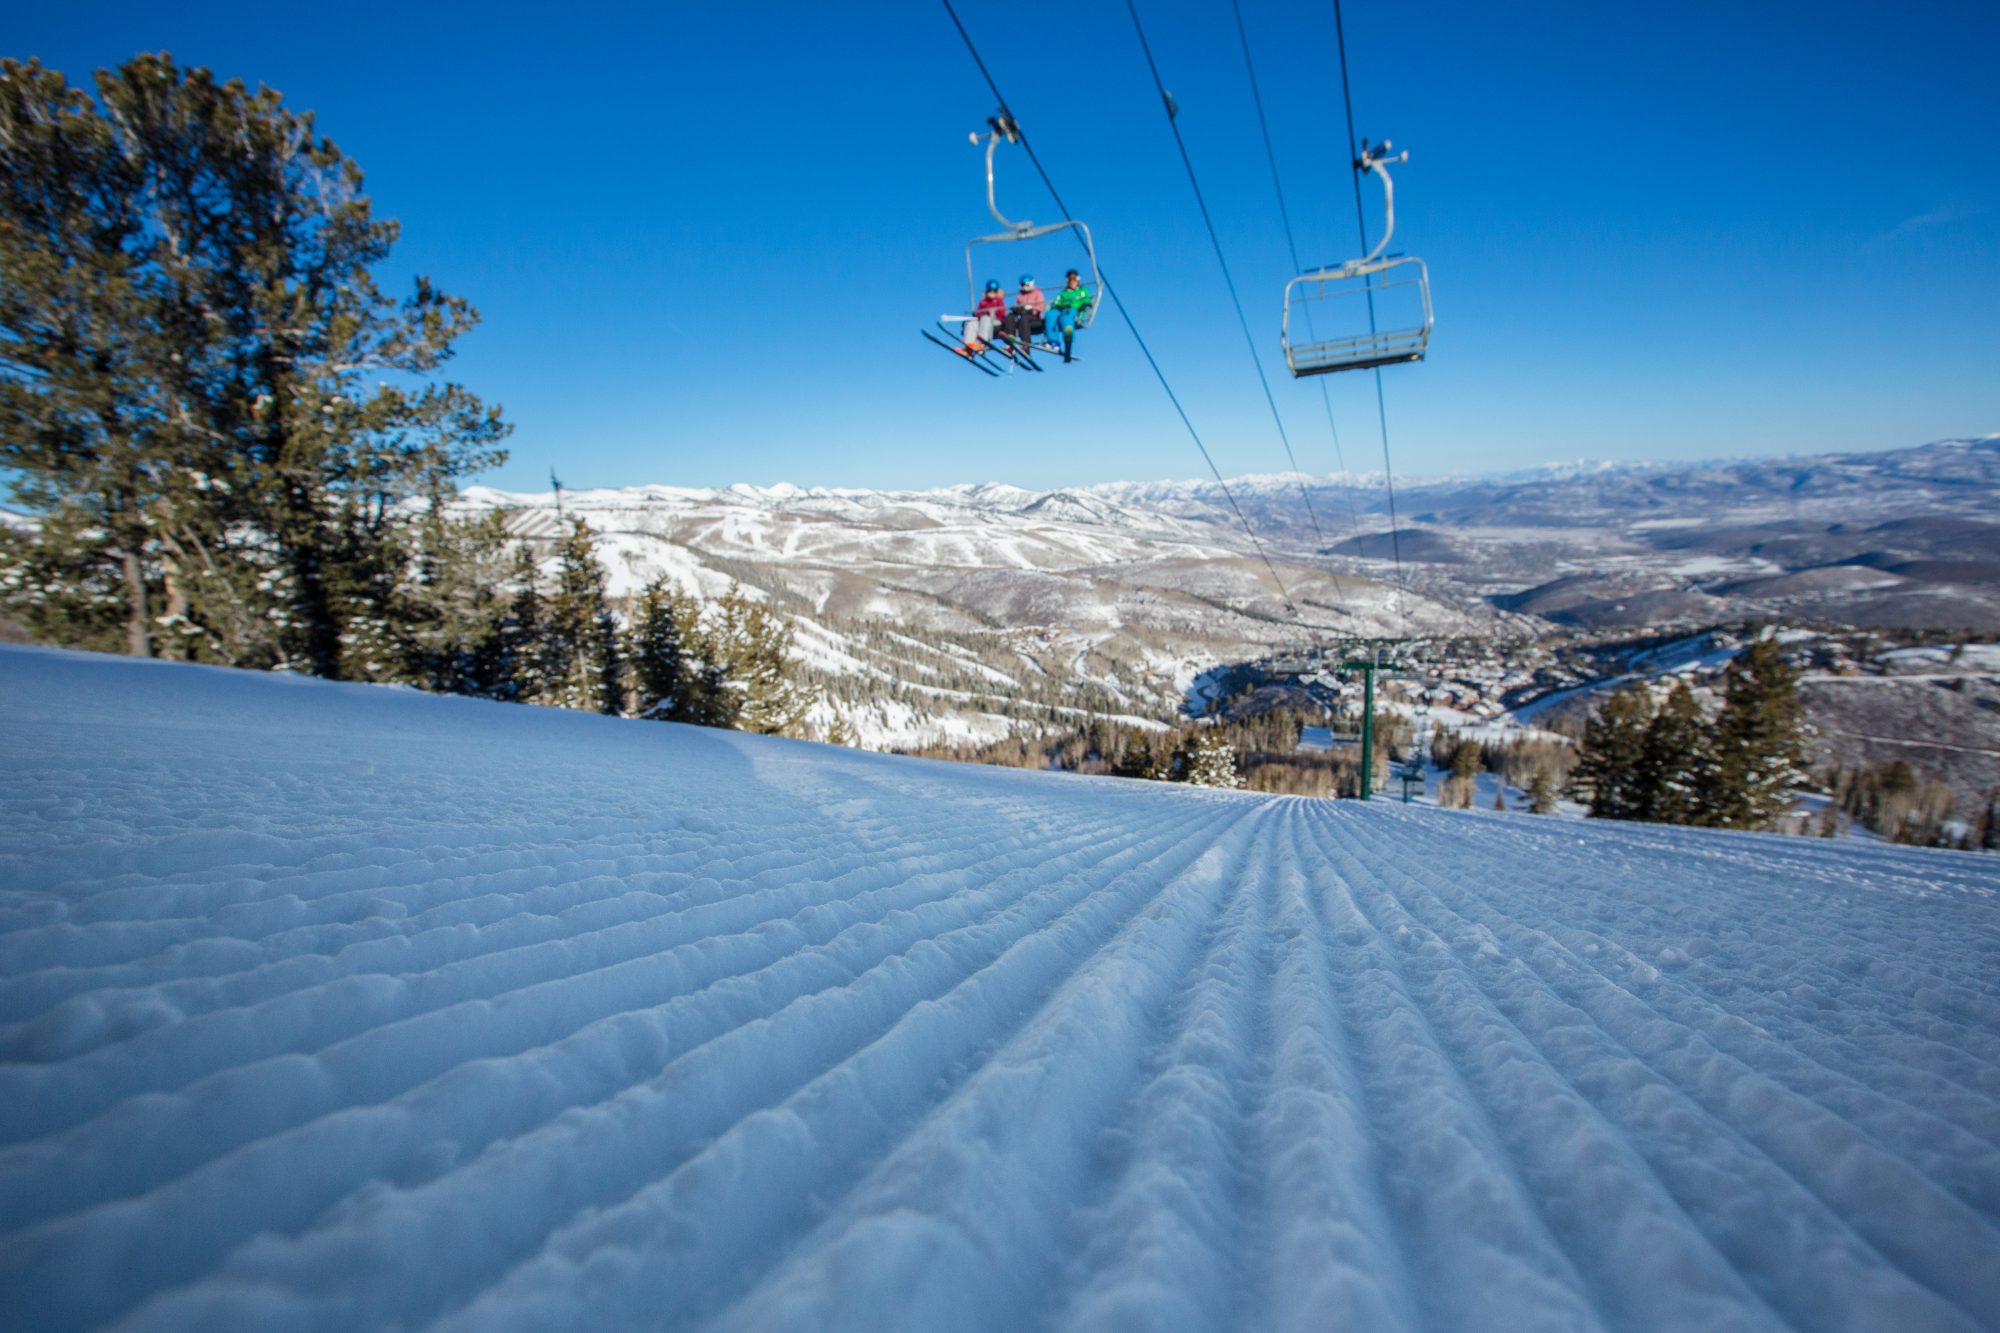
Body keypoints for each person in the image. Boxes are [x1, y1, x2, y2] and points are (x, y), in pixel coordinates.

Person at [1046, 269, 1092, 362]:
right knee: (1051, 315)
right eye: (1070, 279)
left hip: (1074, 312)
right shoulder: (1063, 293)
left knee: (1066, 316)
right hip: (1061, 310)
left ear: (1078, 280)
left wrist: (1083, 306)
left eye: (1074, 279)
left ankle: (1068, 337)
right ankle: (1054, 342)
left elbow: (1086, 301)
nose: (1072, 282)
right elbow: (1056, 303)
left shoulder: (1082, 291)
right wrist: (1057, 307)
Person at [961, 279, 1007, 354]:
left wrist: (991, 314)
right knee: (972, 323)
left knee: (985, 319)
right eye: (990, 291)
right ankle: (968, 345)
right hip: (982, 320)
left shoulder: (999, 301)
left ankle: (982, 343)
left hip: (994, 321)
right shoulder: (983, 301)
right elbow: (978, 312)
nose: (992, 293)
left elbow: (1002, 313)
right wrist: (977, 315)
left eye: (994, 292)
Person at [1004, 274, 1047, 354]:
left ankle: (1026, 344)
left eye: (1026, 285)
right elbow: (1018, 304)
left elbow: (1040, 305)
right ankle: (1010, 340)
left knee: (1024, 318)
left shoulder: (1037, 292)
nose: (1024, 287)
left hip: (1034, 315)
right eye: (1023, 285)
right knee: (1009, 317)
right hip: (1022, 313)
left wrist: (1031, 309)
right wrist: (1016, 309)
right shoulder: (1021, 295)